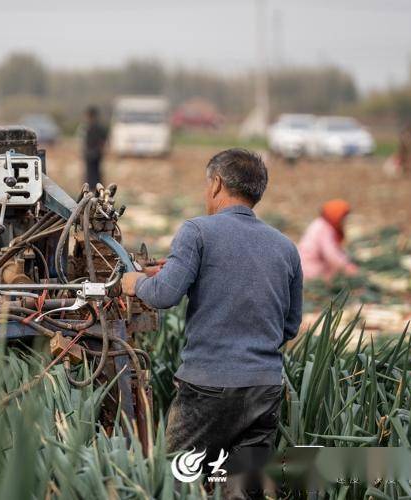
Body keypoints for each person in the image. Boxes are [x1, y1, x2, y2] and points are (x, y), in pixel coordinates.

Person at [121, 149, 303, 498]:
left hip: (208, 387)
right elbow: (289, 326)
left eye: (208, 185)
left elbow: (162, 296)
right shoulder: (285, 247)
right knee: (241, 489)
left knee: (177, 480)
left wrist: (134, 283)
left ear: (217, 184)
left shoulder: (197, 232)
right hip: (264, 387)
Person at [298, 199, 358, 281]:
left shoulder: (320, 224)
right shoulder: (324, 229)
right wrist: (346, 267)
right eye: (343, 219)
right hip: (310, 269)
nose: (344, 222)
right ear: (336, 215)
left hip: (307, 266)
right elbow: (331, 254)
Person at [80, 106, 107, 189]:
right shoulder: (96, 127)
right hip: (94, 154)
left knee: (92, 174)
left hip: (92, 154)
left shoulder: (90, 127)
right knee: (94, 173)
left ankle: (94, 190)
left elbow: (101, 141)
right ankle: (96, 189)